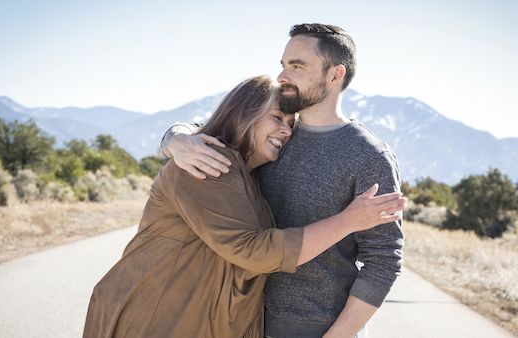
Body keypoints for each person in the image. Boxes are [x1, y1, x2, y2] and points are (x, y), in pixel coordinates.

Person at [84, 76, 405, 338]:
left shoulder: (247, 171)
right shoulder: (208, 164)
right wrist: (348, 221)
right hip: (154, 318)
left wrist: (176, 136)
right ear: (244, 114)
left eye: (290, 123)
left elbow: (384, 259)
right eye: (277, 118)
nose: (286, 130)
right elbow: (254, 250)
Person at [161, 24, 404, 338]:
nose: (282, 76)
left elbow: (383, 261)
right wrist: (175, 139)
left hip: (317, 330)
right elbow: (211, 130)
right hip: (241, 323)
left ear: (335, 75)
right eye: (284, 65)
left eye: (297, 66)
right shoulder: (272, 135)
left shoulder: (370, 157)